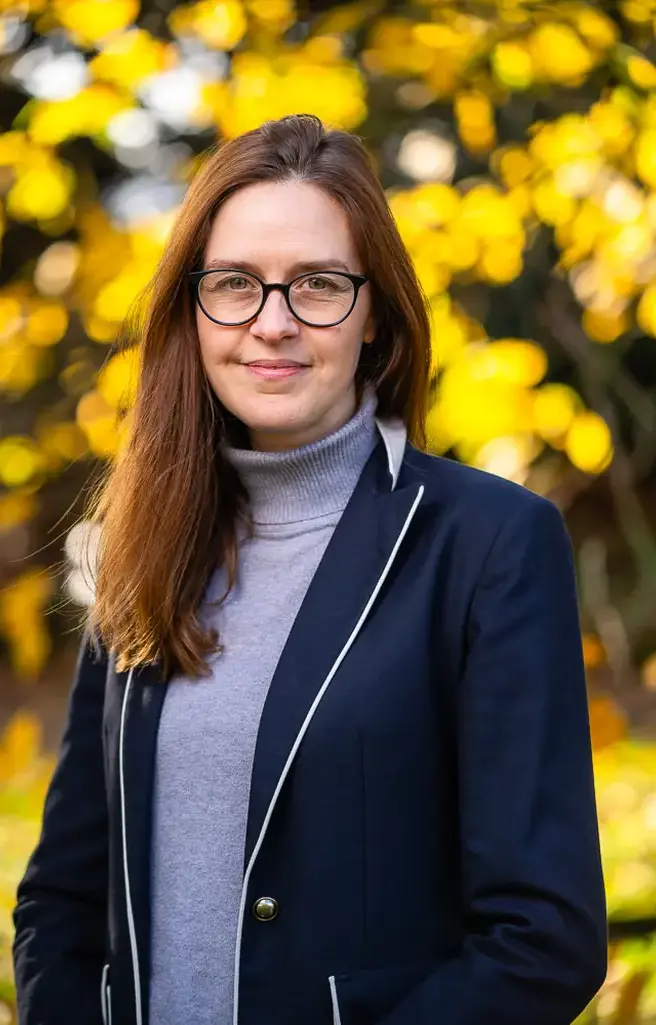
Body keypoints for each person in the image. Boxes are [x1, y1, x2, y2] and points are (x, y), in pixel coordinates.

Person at [13, 113, 607, 1025]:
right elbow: (63, 900)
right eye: (236, 285)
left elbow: (544, 941)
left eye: (319, 285)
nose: (273, 323)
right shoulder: (135, 543)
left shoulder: (489, 544)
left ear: (375, 316)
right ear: (191, 307)